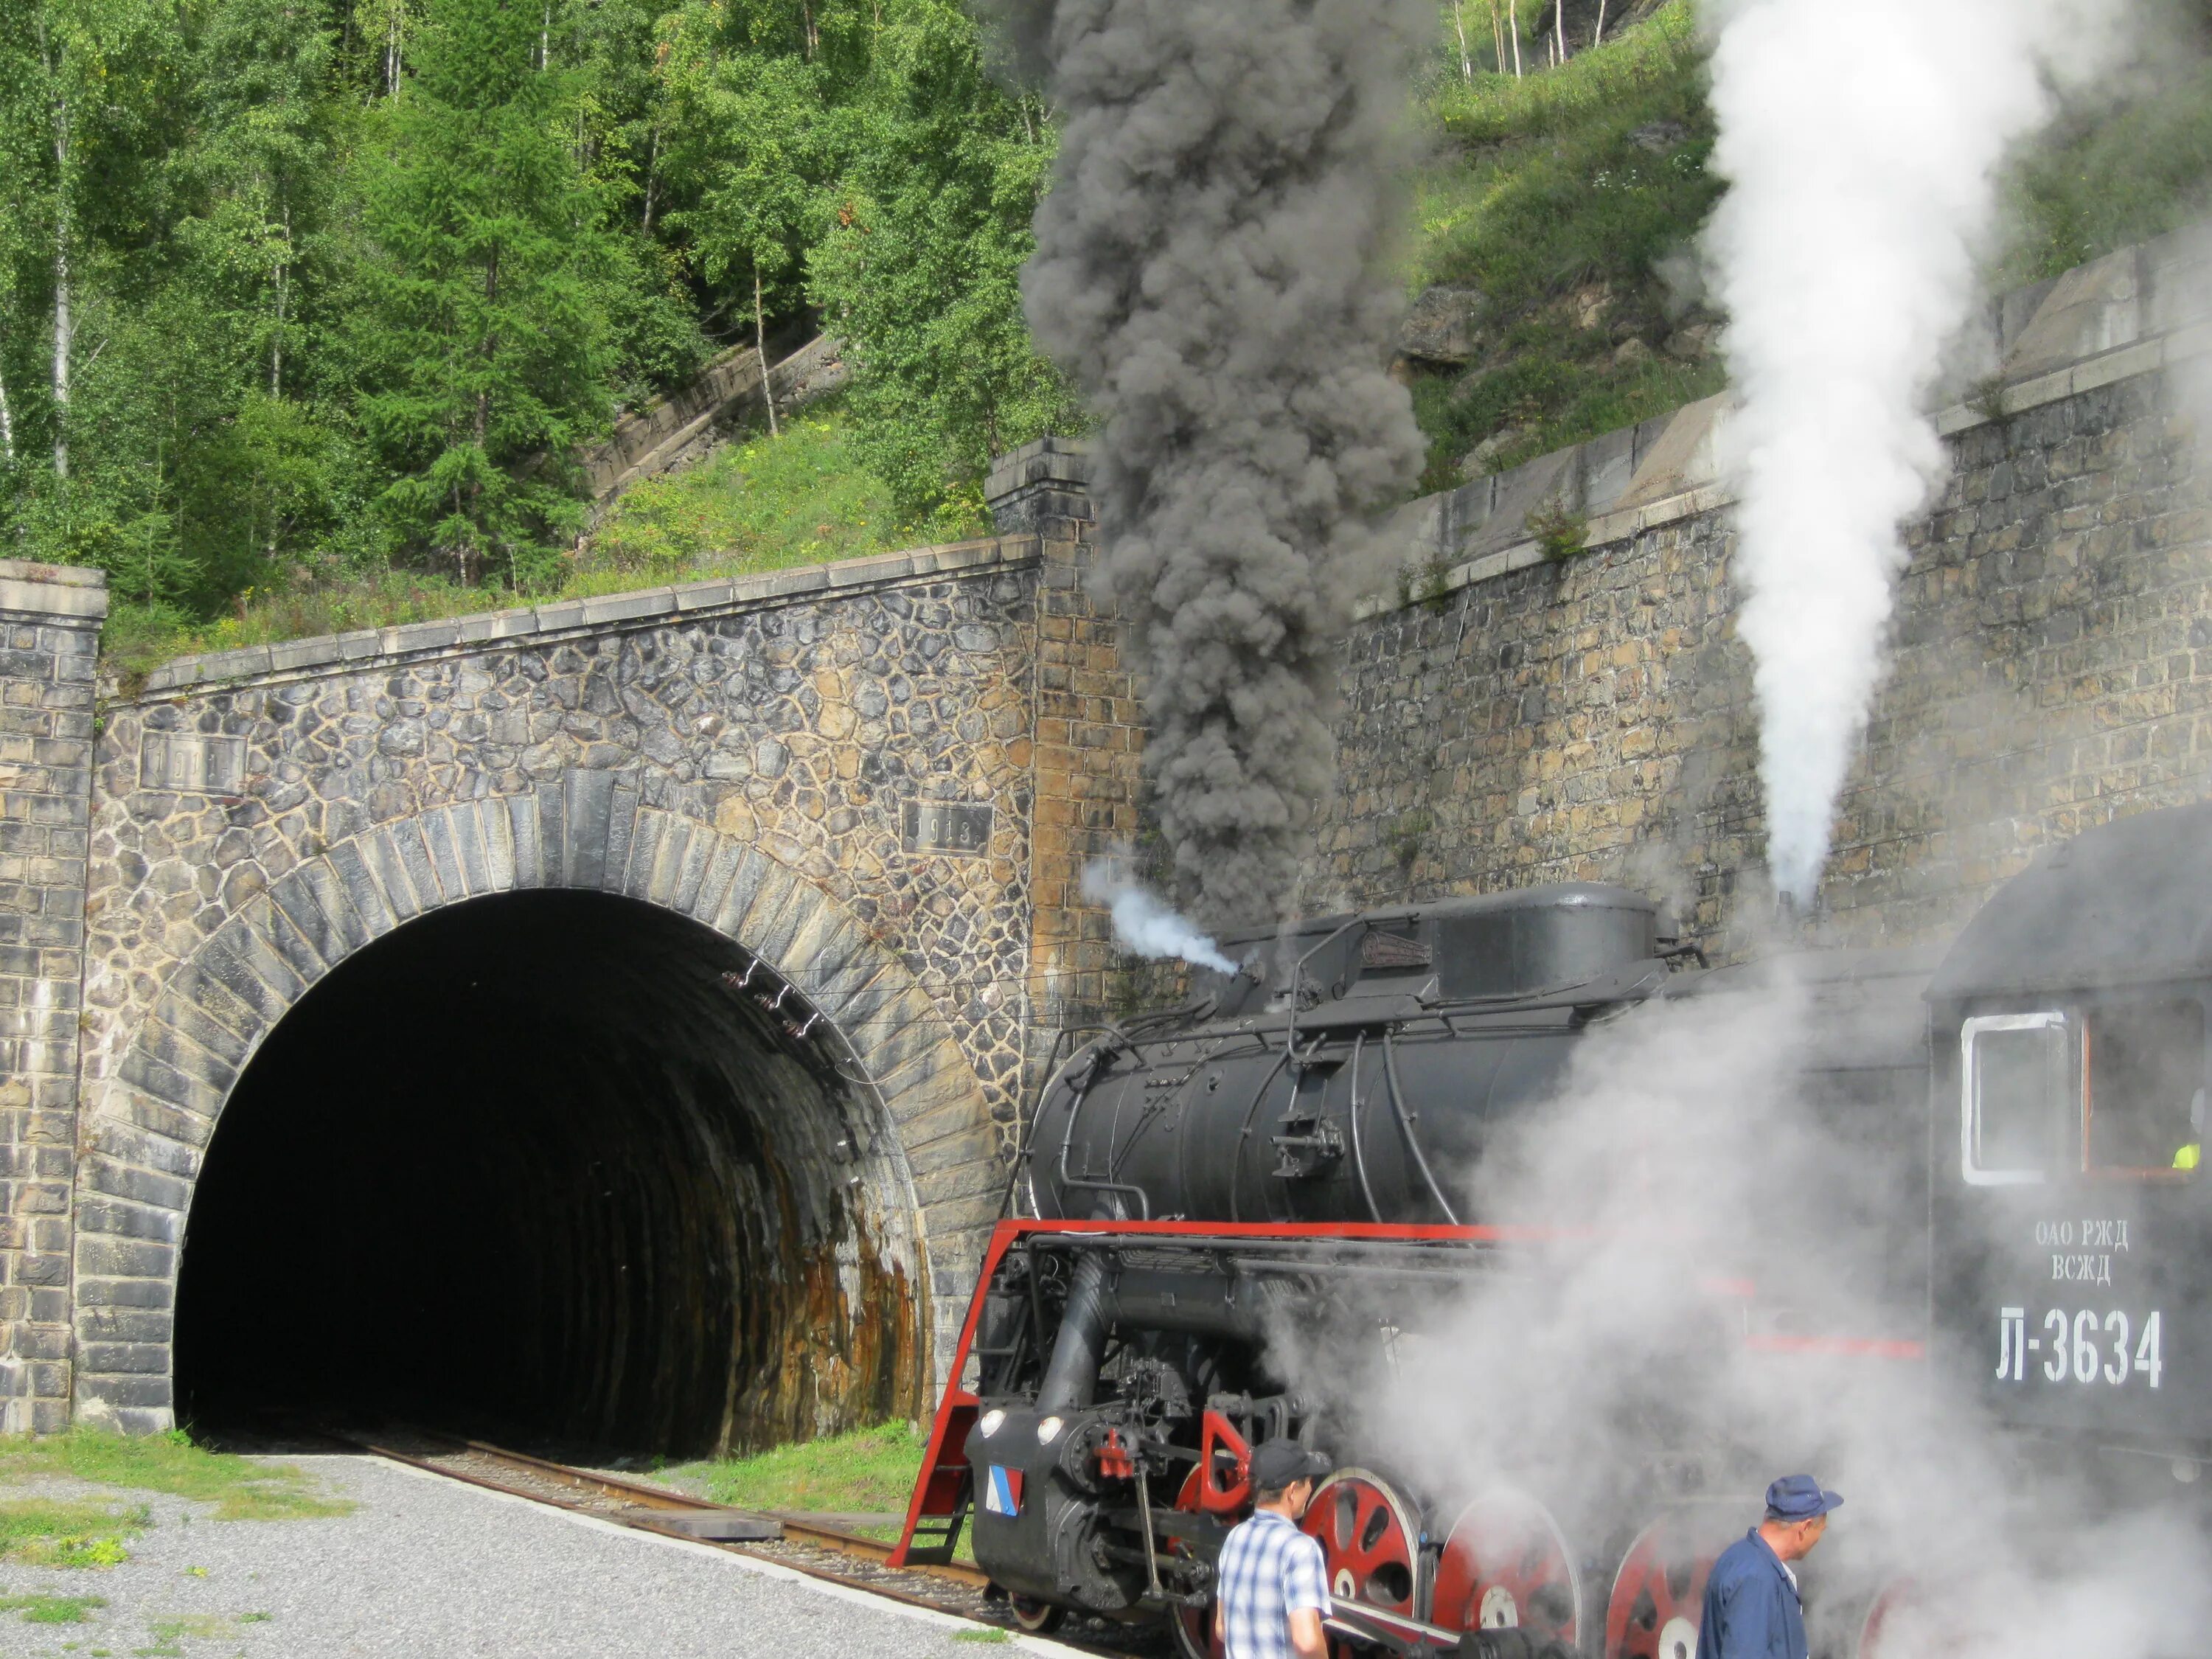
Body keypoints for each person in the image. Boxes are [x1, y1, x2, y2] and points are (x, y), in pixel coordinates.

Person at [1694, 1475, 1842, 1659]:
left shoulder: (1741, 1558)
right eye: (1820, 1530)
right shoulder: (1756, 1579)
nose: (1819, 1539)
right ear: (1805, 1527)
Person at [1213, 1438, 1334, 1659]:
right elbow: (1307, 1643)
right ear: (1291, 1491)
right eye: (1308, 1481)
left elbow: (1221, 1628)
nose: (1311, 1488)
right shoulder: (1300, 1550)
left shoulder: (1234, 1539)